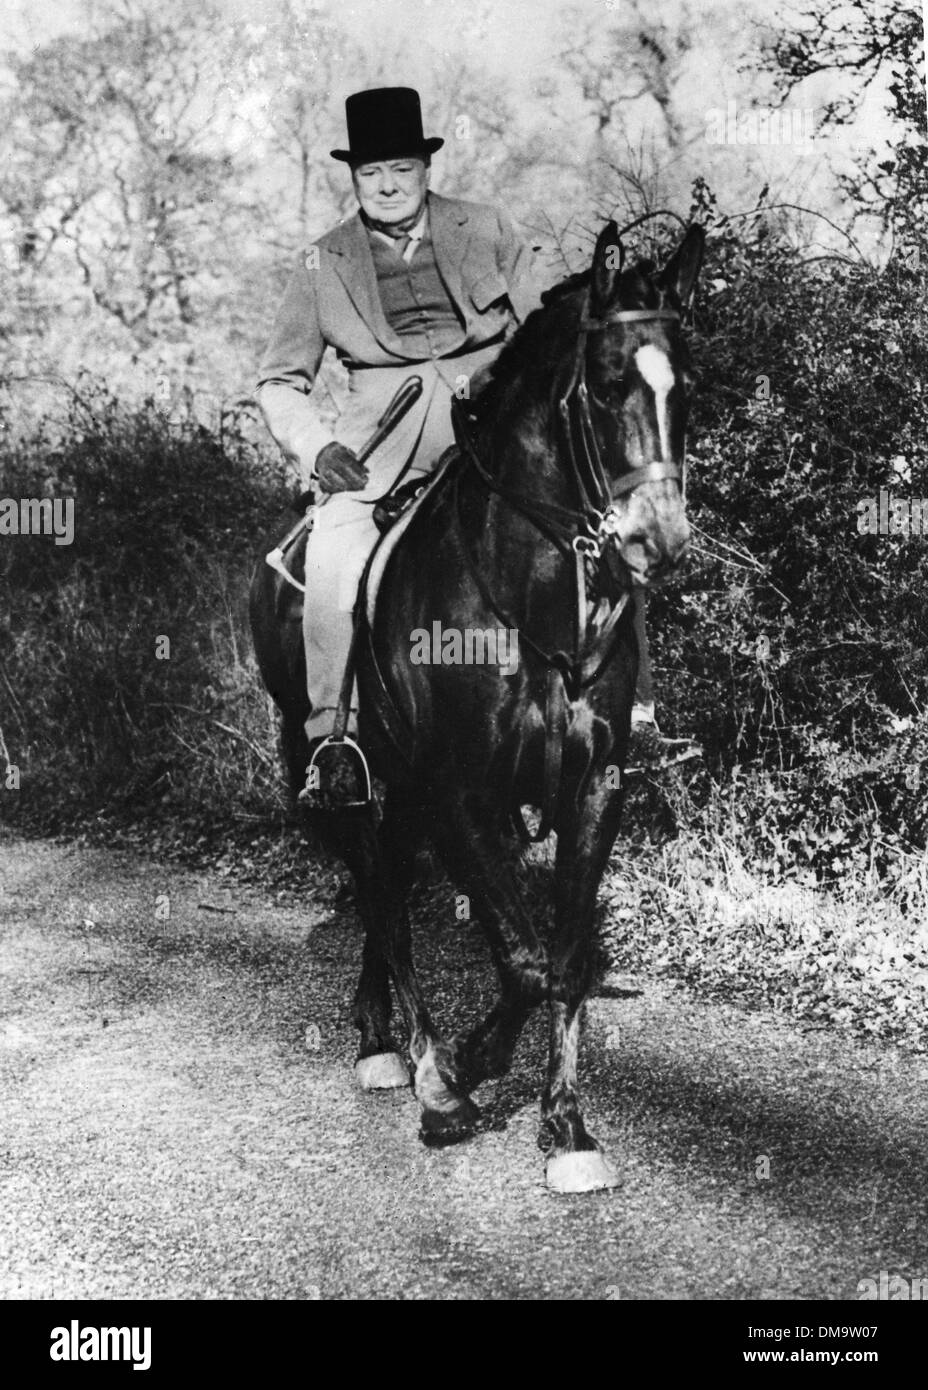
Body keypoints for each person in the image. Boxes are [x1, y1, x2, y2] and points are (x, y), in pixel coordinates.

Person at [256, 87, 697, 804]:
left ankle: (635, 716)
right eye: (372, 173)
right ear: (354, 178)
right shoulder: (320, 263)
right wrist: (316, 448)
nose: (389, 184)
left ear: (426, 168)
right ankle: (335, 744)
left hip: (495, 419)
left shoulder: (488, 228)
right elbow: (279, 380)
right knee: (335, 552)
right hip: (380, 435)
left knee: (603, 521)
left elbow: (554, 325)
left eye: (402, 167)